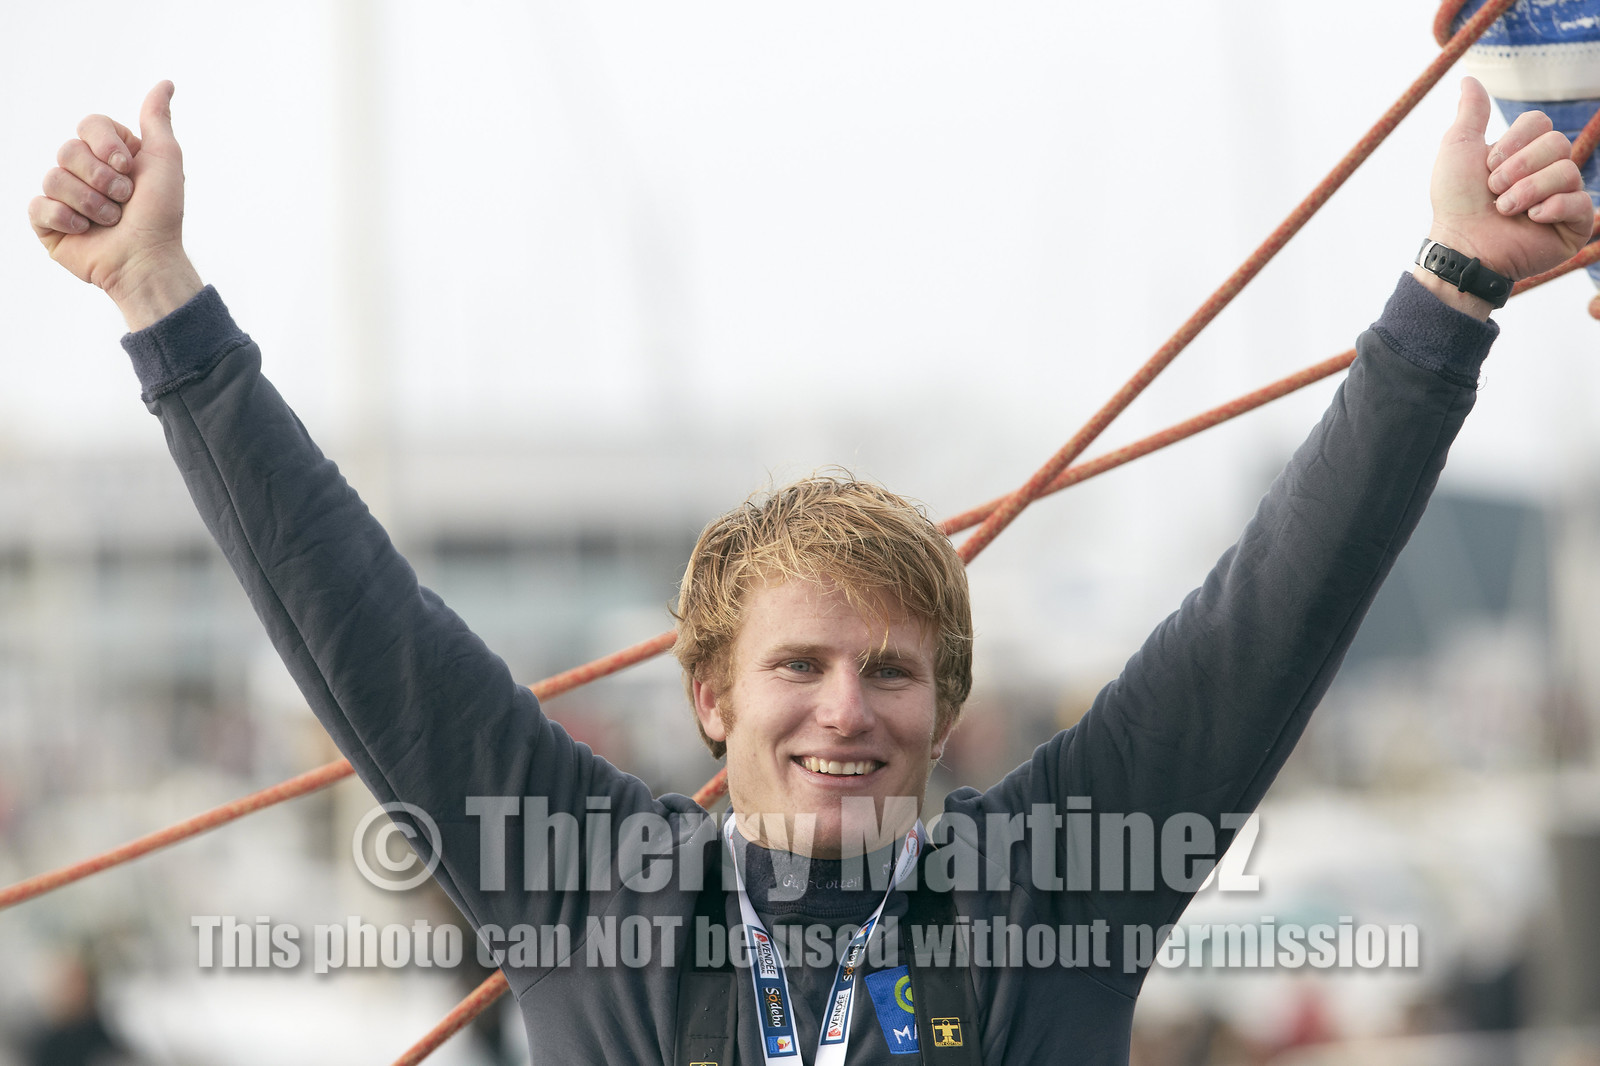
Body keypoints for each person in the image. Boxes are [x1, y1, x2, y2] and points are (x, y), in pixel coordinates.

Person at [28, 77, 1591, 1065]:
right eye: (800, 663)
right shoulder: (585, 886)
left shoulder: (1065, 880)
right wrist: (159, 297)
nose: (846, 706)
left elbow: (1279, 605)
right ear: (712, 695)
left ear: (946, 702)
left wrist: (1452, 286)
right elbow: (349, 613)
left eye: (891, 667)